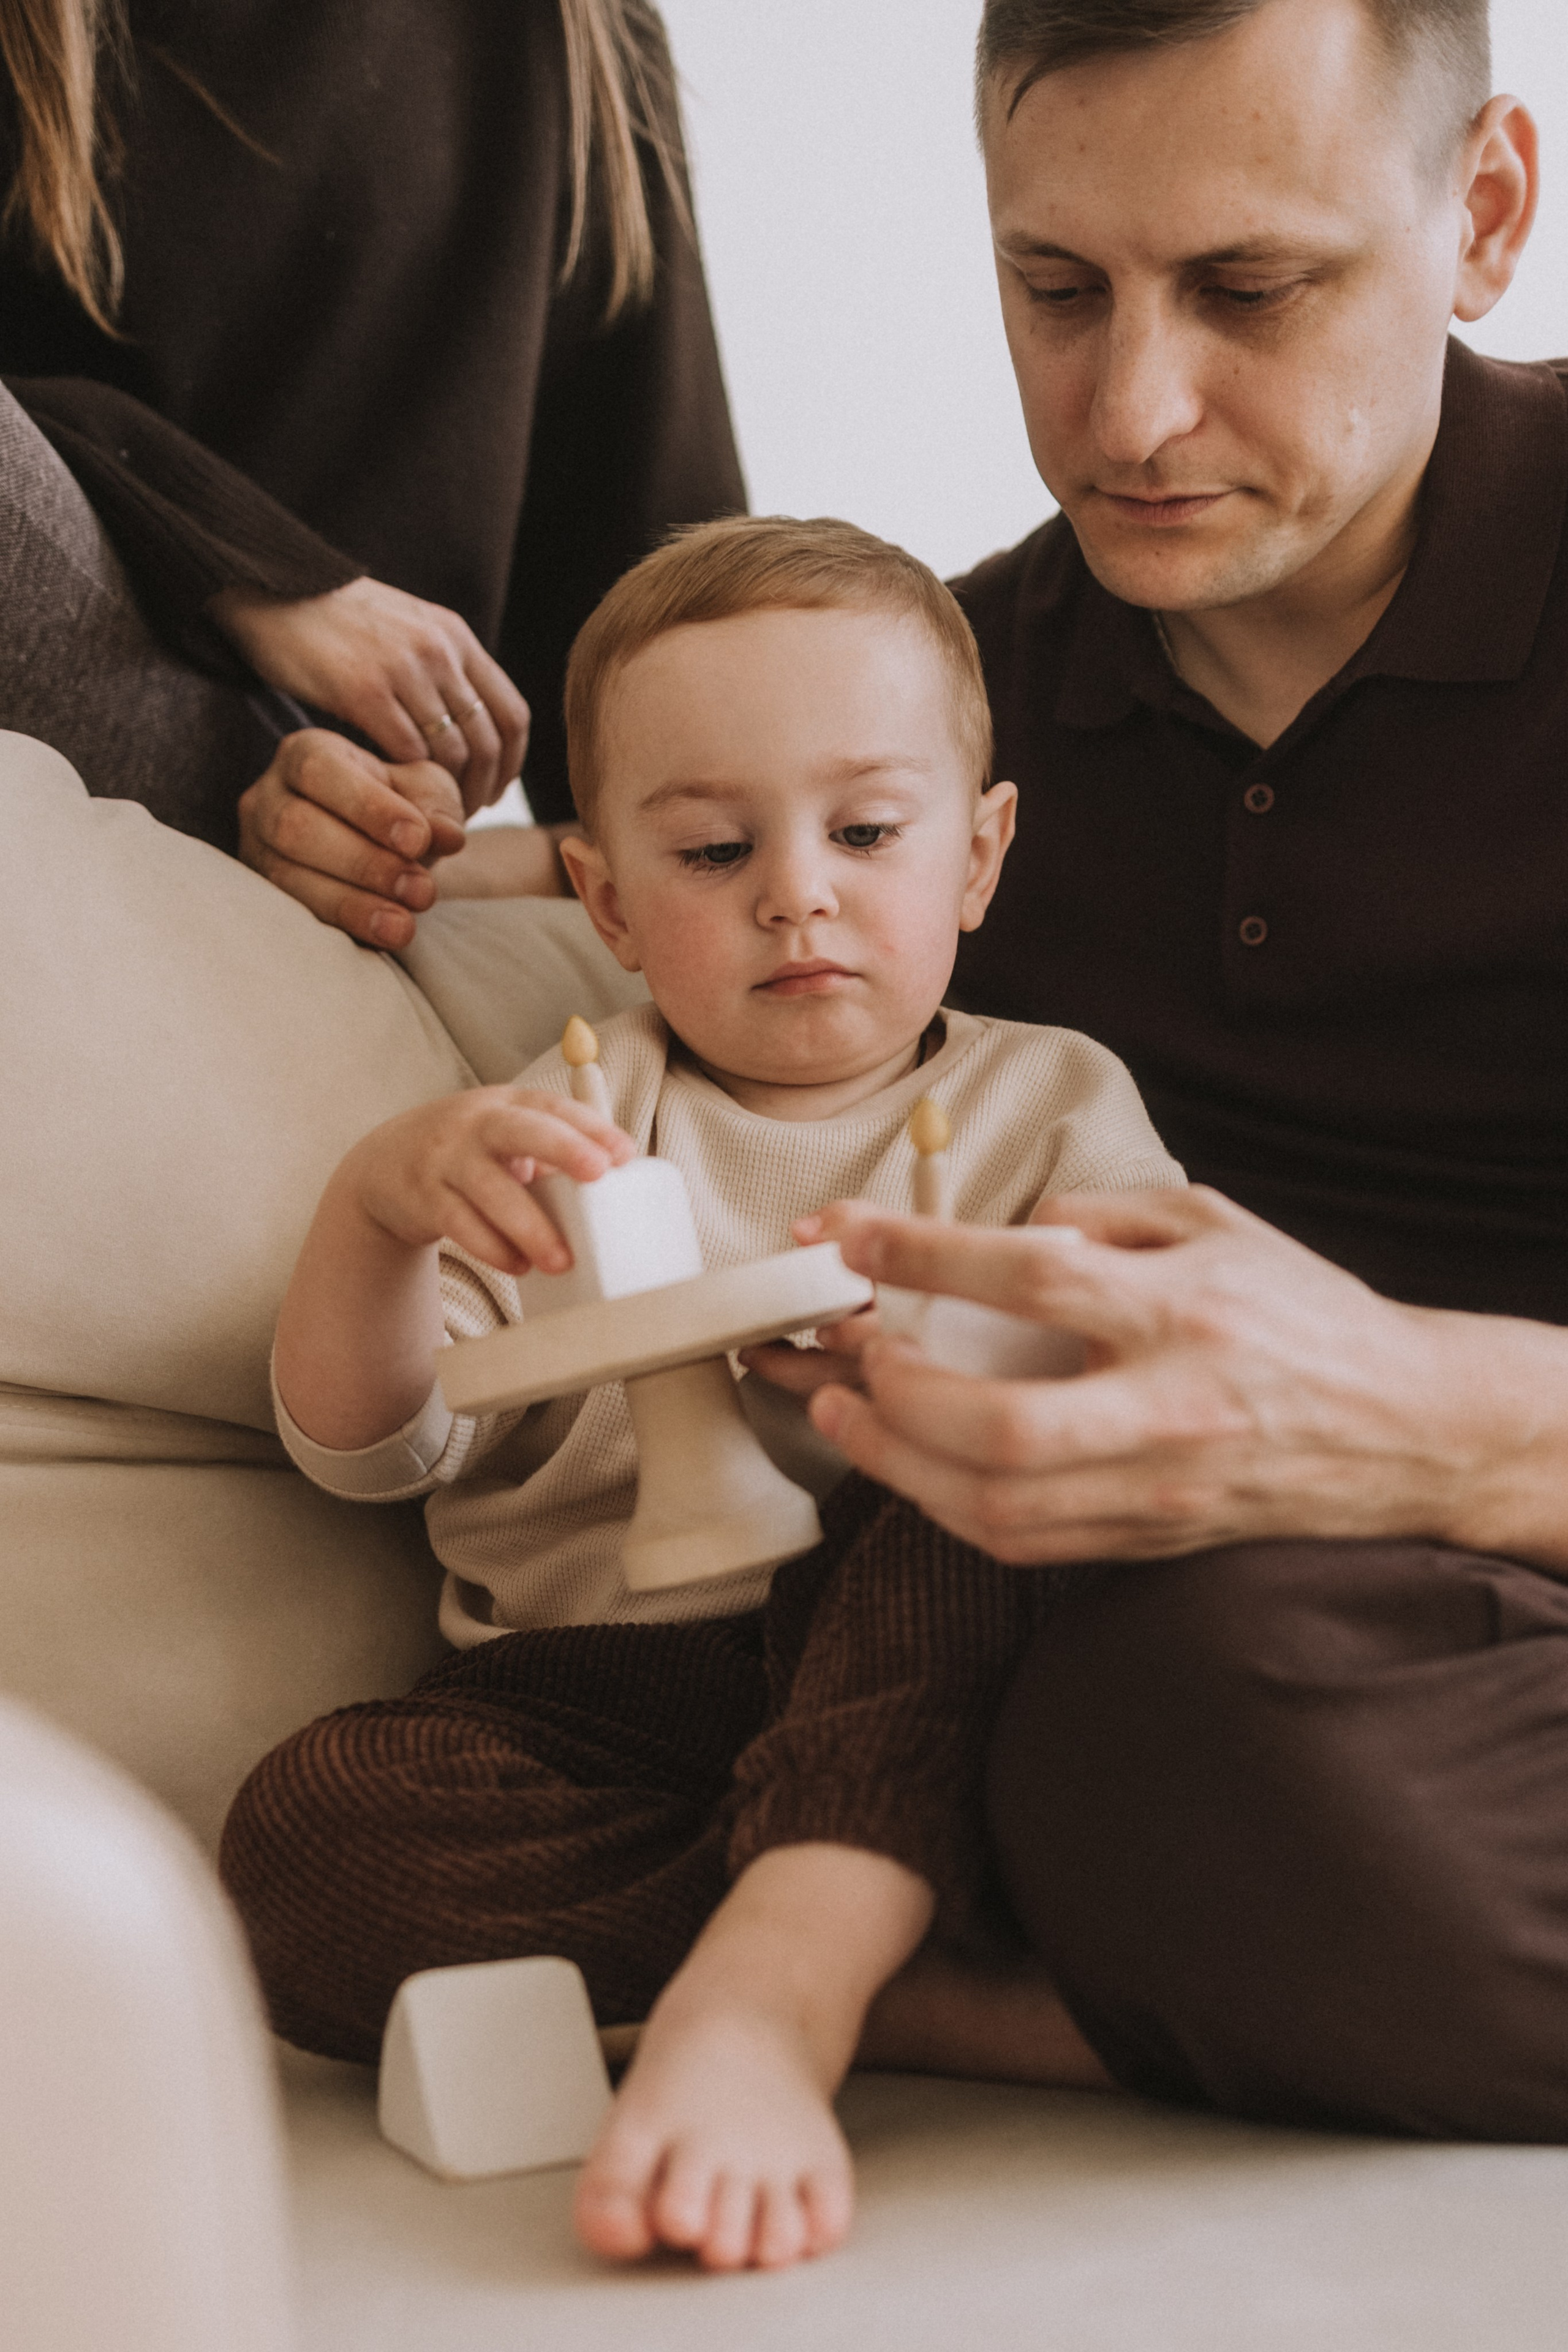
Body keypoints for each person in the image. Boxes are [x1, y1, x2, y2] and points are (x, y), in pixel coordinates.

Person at [746, 0, 1568, 2142]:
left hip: (1458, 1603)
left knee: (1187, 1740)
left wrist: (1433, 1424)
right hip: (1231, 1661)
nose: (1131, 410)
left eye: (1249, 290)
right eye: (1055, 291)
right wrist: (355, 835)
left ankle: (1003, 1984)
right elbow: (611, 864)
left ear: (1483, 213)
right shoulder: (919, 731)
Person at [217, 515, 1183, 2272]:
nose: (797, 890)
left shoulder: (1054, 1104)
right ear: (601, 899)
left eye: (868, 833)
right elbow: (363, 1453)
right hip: (619, 1698)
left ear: (979, 857)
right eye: (719, 848)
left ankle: (784, 1987)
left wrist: (929, 1361)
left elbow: (1145, 1375)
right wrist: (376, 1206)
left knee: (959, 1505)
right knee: (303, 1843)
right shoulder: (560, 1133)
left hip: (933, 1644)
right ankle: (928, 1977)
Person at [0, 0, 743, 919]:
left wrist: (427, 849)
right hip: (70, 694)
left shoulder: (580, 39)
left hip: (335, 806)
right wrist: (262, 576)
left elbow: (674, 617)